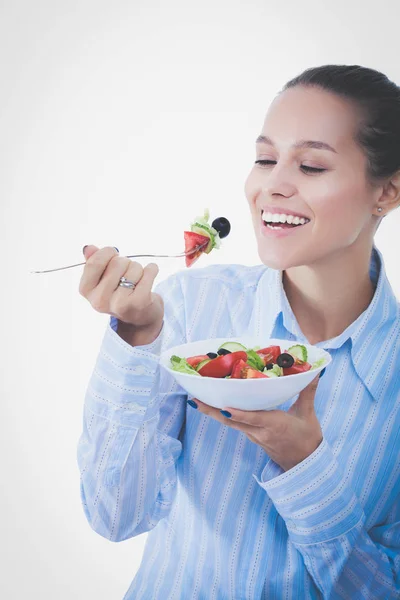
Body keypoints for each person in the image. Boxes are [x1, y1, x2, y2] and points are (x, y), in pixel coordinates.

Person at [76, 64, 400, 599]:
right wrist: (137, 338)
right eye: (266, 158)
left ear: (386, 190)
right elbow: (114, 516)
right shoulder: (189, 307)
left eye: (312, 165)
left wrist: (307, 468)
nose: (273, 185)